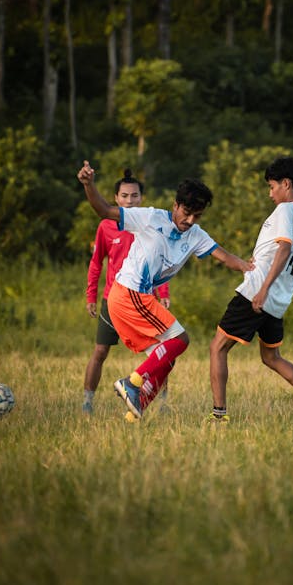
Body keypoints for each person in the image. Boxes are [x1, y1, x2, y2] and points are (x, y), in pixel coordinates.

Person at [77, 159, 254, 420]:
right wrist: (89, 185)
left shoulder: (196, 235)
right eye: (186, 213)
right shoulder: (150, 218)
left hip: (139, 298)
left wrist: (248, 268)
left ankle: (135, 408)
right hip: (128, 294)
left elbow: (224, 257)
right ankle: (132, 382)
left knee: (166, 359)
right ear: (175, 206)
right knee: (181, 340)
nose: (190, 220)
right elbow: (104, 210)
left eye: (197, 216)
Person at [209, 156, 293, 424]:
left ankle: (219, 415)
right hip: (278, 301)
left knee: (217, 348)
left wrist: (262, 289)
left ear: (286, 184)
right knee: (271, 356)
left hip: (257, 292)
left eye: (272, 186)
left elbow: (284, 249)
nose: (270, 194)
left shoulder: (286, 211)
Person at [82, 169, 170, 415]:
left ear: (142, 198)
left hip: (144, 300)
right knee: (100, 352)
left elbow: (161, 260)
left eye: (134, 196)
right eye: (124, 196)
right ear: (116, 198)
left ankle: (163, 403)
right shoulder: (106, 226)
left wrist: (163, 291)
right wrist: (91, 295)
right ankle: (87, 402)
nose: (130, 201)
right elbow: (96, 262)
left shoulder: (150, 225)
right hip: (113, 299)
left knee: (161, 350)